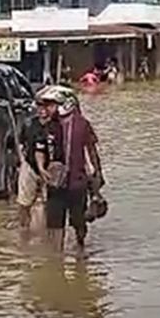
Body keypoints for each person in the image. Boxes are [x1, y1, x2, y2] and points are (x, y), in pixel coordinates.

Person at [43, 85, 103, 252]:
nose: (47, 109)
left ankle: (80, 248)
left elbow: (91, 151)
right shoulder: (48, 125)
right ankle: (57, 258)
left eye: (51, 105)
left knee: (78, 221)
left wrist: (97, 175)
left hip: (77, 182)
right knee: (55, 224)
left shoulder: (82, 124)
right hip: (55, 183)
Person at [17, 88, 64, 236]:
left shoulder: (60, 126)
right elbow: (20, 144)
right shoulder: (29, 124)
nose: (42, 109)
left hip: (52, 171)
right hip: (30, 166)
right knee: (24, 203)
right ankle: (23, 232)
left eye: (46, 106)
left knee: (47, 206)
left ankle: (45, 236)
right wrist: (21, 163)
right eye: (39, 106)